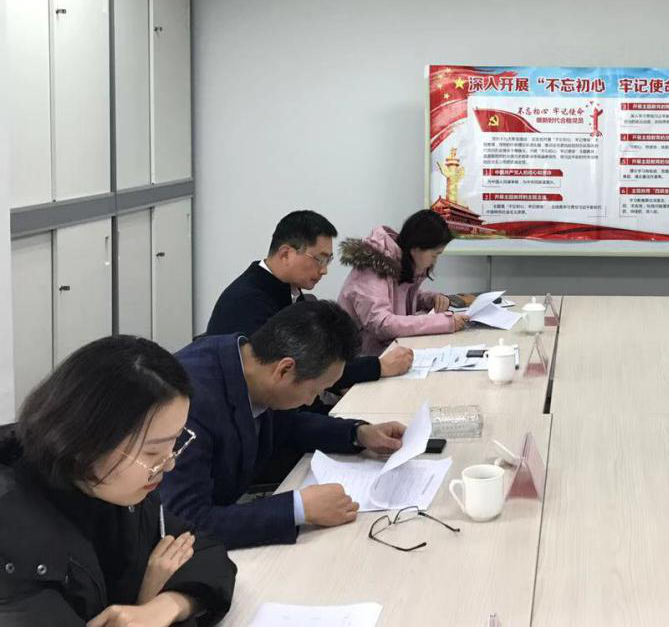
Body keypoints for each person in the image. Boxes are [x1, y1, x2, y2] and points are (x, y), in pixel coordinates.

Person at [0, 335, 236, 625]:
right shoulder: (11, 535)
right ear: (85, 442)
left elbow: (203, 550)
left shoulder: (115, 489)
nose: (169, 463)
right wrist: (143, 600)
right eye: (152, 452)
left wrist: (165, 606)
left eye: (175, 442)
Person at [163, 300, 408, 550]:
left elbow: (288, 425)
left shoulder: (248, 362)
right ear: (284, 370)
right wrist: (297, 509)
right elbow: (186, 522)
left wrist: (358, 433)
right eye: (315, 391)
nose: (312, 401)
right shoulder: (188, 404)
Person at [206, 210, 412, 384]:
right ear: (286, 254)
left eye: (328, 261)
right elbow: (302, 371)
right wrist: (379, 366)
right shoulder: (248, 301)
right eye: (319, 260)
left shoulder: (287, 290)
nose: (324, 271)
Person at [337, 209, 468, 355]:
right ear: (416, 249)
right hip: (360, 359)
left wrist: (429, 299)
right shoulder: (372, 271)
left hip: (387, 352)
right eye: (434, 255)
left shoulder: (400, 262)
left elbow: (397, 299)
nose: (434, 262)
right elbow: (382, 324)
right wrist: (444, 322)